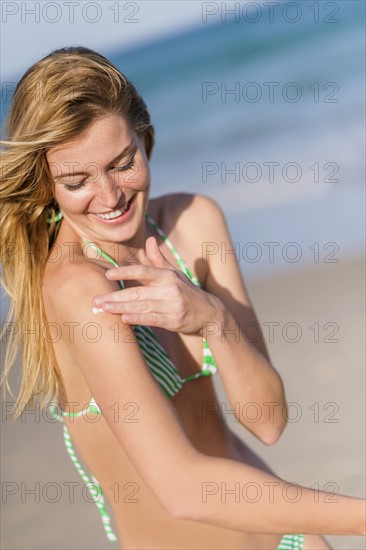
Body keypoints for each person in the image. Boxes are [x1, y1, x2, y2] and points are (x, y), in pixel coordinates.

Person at [0, 46, 364, 550]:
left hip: (286, 541)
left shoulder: (194, 225)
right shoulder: (77, 290)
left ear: (145, 139)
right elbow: (182, 491)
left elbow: (268, 421)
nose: (109, 196)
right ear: (48, 186)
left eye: (123, 163)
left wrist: (213, 319)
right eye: (77, 181)